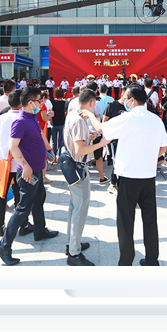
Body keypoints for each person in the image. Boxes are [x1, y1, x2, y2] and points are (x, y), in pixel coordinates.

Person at [93, 85, 167, 266]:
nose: (124, 101)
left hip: (128, 177)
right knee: (150, 219)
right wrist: (150, 158)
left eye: (126, 98)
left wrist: (89, 115)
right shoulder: (155, 119)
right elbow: (165, 145)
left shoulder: (127, 118)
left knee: (125, 222)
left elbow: (102, 129)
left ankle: (126, 262)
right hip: (148, 177)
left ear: (132, 100)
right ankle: (152, 259)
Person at [0, 87, 59, 266]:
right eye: (39, 100)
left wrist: (48, 150)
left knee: (39, 199)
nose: (41, 103)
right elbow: (13, 146)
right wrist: (25, 166)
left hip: (37, 169)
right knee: (22, 209)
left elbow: (39, 135)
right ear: (31, 103)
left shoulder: (32, 117)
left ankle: (40, 230)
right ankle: (3, 246)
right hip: (28, 171)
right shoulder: (20, 121)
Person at [62, 89, 111, 266]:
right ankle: (74, 253)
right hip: (78, 167)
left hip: (73, 167)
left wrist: (89, 137)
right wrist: (101, 143)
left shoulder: (72, 114)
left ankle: (72, 243)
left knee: (74, 208)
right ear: (91, 103)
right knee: (79, 211)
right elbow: (80, 150)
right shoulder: (79, 120)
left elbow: (77, 142)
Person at [0, 90, 34, 238]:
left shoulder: (0, 119)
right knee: (20, 195)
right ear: (21, 102)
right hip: (21, 164)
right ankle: (23, 225)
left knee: (0, 195)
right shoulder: (25, 118)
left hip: (3, 163)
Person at [49, 87, 67, 161]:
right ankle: (59, 155)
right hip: (62, 122)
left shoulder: (52, 102)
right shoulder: (64, 102)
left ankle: (53, 156)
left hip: (53, 123)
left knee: (54, 141)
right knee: (61, 141)